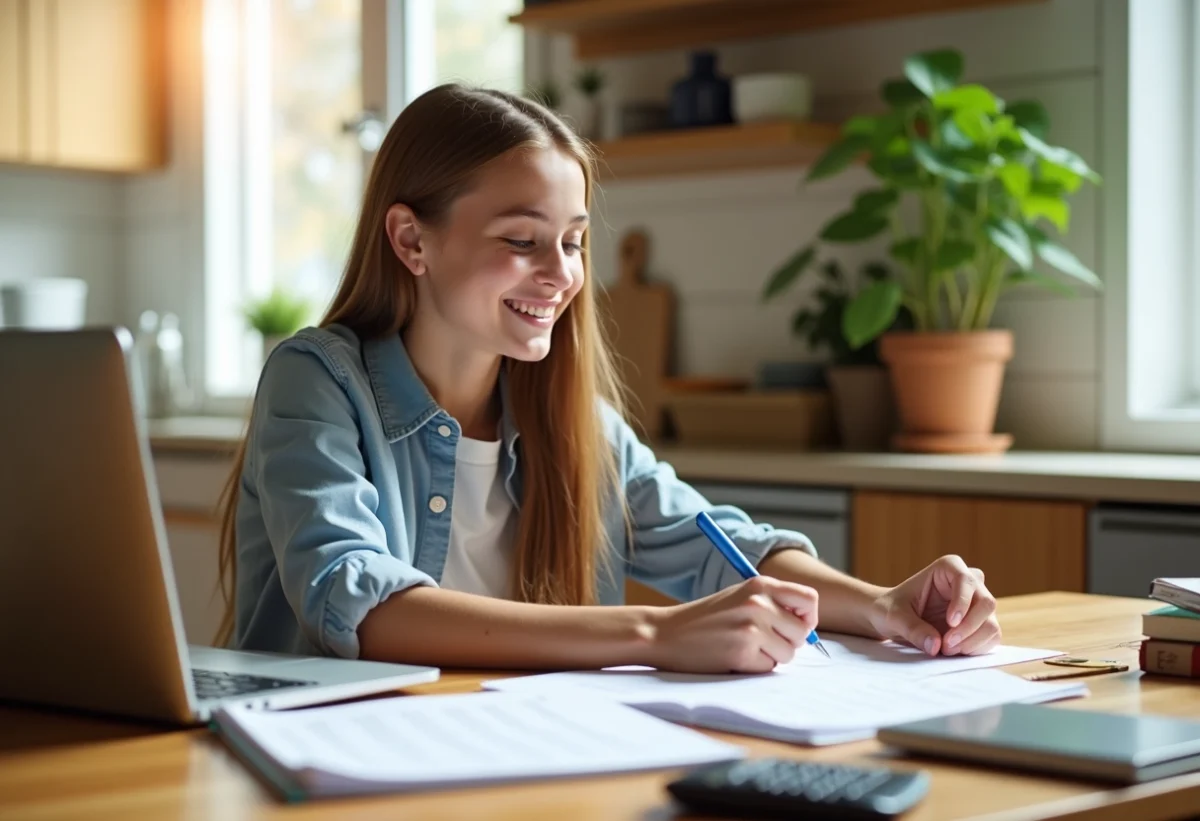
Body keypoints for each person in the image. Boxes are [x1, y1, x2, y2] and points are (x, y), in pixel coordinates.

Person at [214, 84, 1000, 674]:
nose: (561, 274)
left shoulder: (567, 415)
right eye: (522, 239)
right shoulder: (315, 381)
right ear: (411, 240)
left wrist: (886, 606)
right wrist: (655, 634)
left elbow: (722, 548)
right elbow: (360, 601)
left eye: (575, 241)